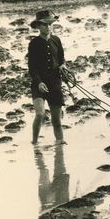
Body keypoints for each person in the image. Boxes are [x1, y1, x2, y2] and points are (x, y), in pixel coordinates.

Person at [28, 9, 66, 145]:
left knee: (56, 120)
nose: (48, 27)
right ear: (38, 26)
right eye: (44, 24)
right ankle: (34, 143)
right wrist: (38, 82)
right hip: (39, 84)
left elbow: (62, 60)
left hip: (55, 83)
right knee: (40, 114)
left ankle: (60, 143)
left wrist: (63, 66)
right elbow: (31, 67)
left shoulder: (57, 40)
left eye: (50, 24)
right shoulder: (34, 44)